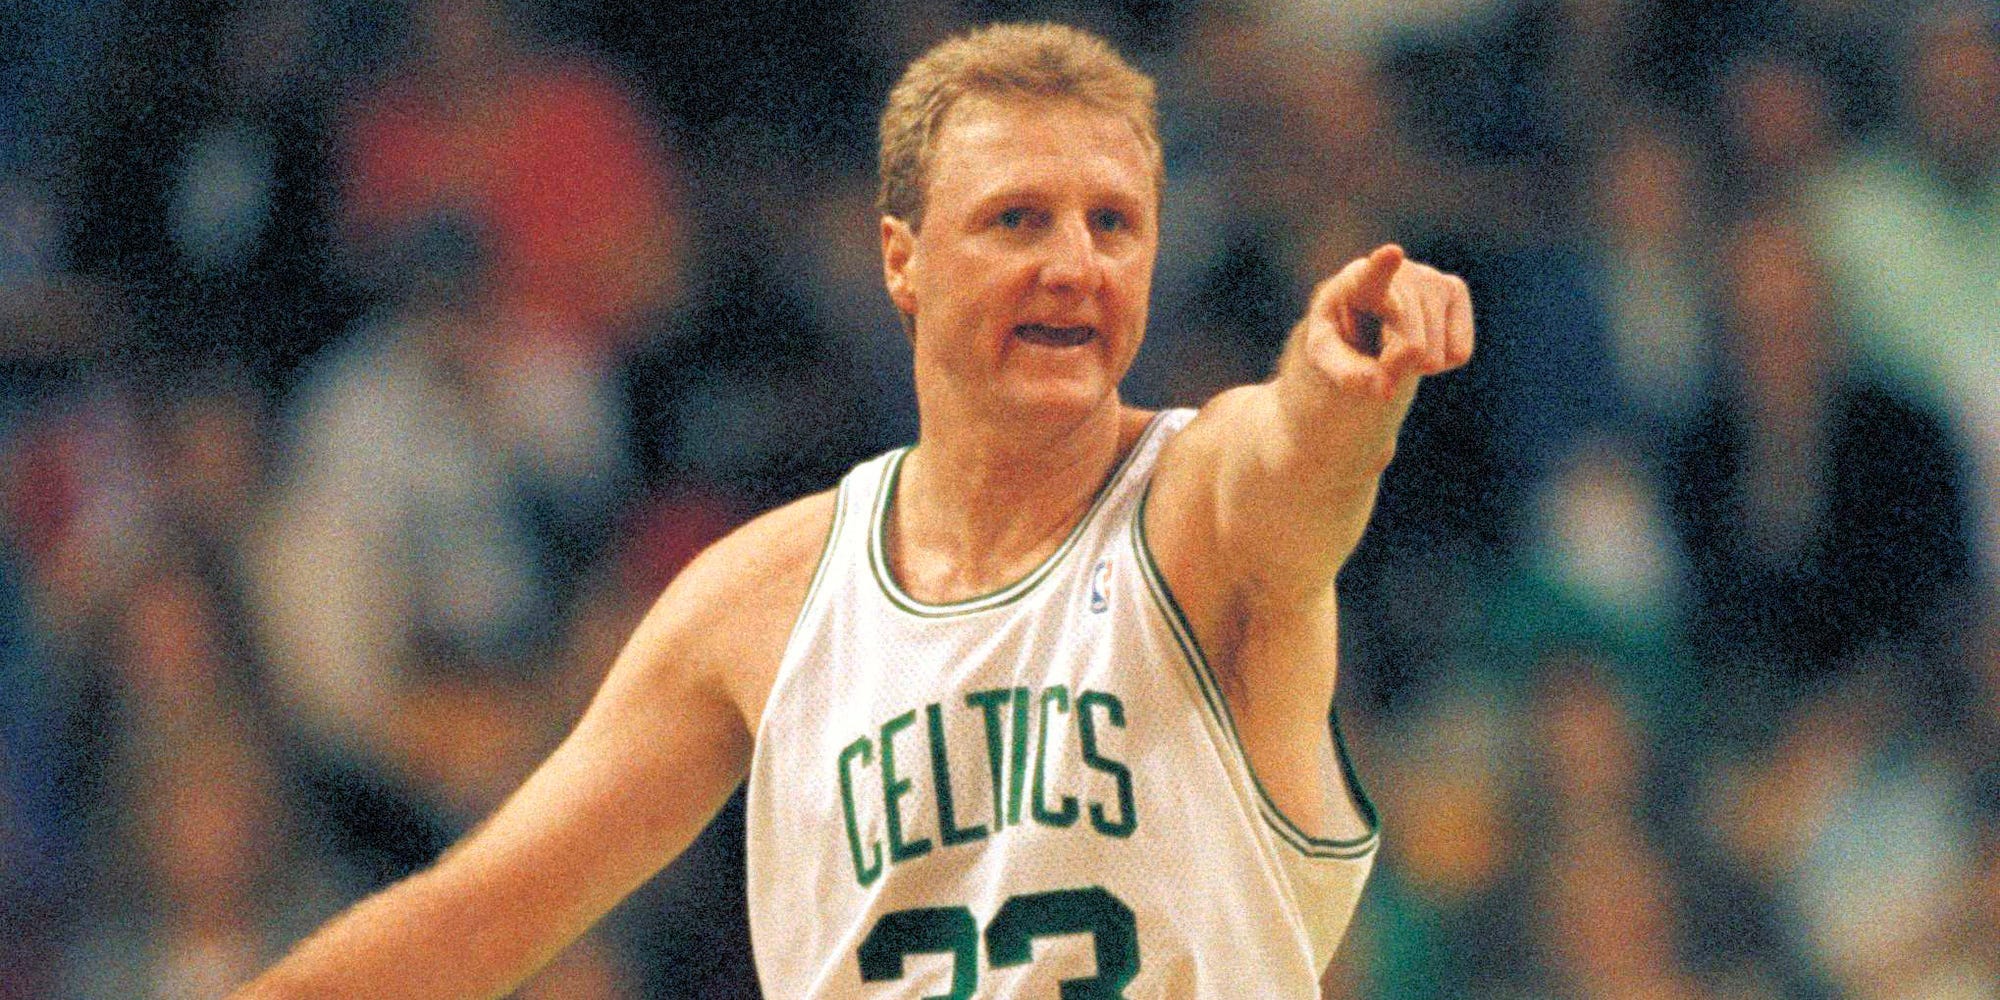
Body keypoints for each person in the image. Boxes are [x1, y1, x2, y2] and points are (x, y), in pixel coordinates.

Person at [232, 21, 1472, 999]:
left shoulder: (1197, 508)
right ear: (901, 257)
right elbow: (478, 917)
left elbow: (1296, 465)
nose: (1073, 262)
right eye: (1015, 219)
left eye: (1113, 223)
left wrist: (1336, 382)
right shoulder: (758, 598)